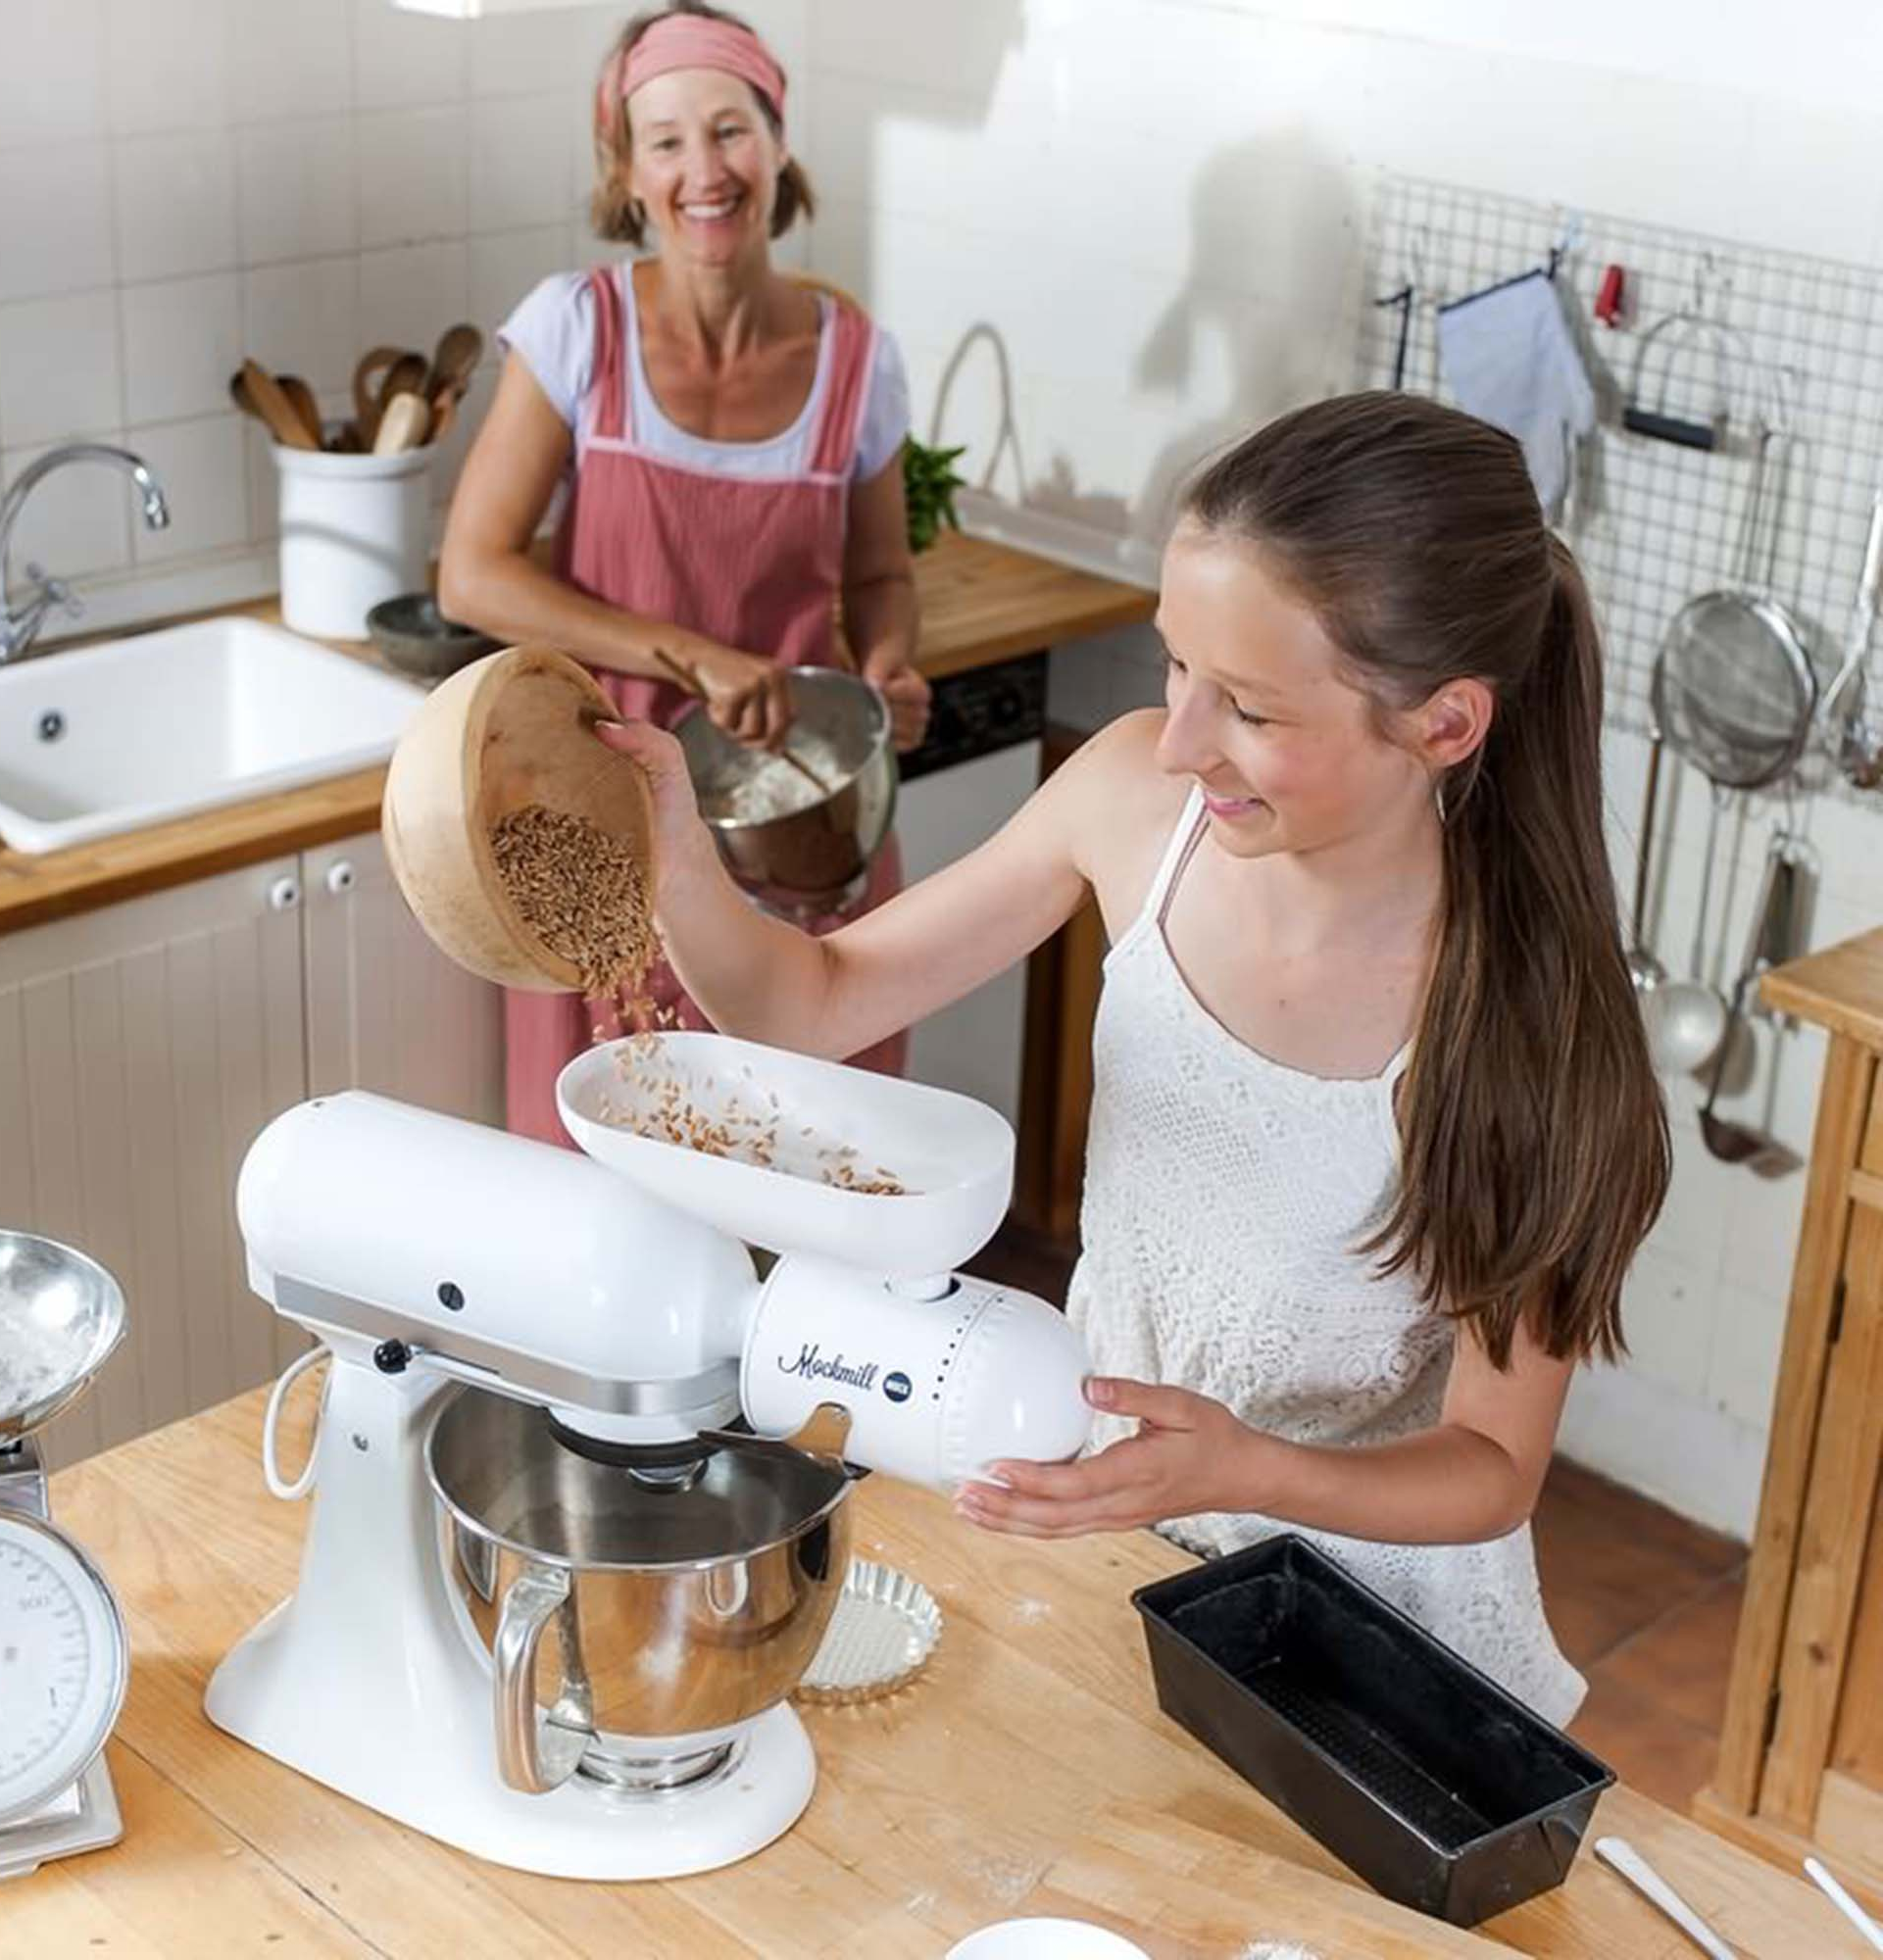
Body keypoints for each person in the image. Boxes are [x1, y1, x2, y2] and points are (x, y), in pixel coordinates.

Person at [599, 391, 1671, 1724]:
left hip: (1363, 1637)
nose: (1178, 740)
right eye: (1176, 668)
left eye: (1250, 709)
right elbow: (809, 999)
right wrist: (669, 848)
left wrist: (1240, 1468)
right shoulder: (1135, 806)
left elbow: (1491, 1469)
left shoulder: (1523, 1026)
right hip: (1114, 1532)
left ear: (1443, 724)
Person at [438, 0, 928, 1145]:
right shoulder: (578, 331)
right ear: (624, 170)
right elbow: (472, 573)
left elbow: (881, 579)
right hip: (604, 827)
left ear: (778, 143)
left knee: (805, 1169)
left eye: (730, 130)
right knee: (607, 1183)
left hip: (793, 833)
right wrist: (692, 656)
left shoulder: (856, 363)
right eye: (665, 141)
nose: (703, 171)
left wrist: (888, 667)